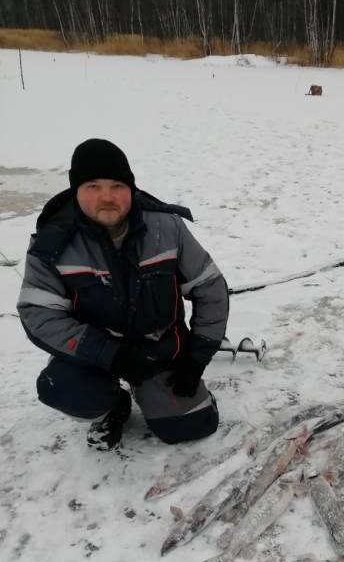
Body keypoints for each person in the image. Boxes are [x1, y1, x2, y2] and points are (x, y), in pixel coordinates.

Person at [17, 139, 229, 450]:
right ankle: (113, 404)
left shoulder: (167, 228)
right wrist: (109, 354)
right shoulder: (53, 243)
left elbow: (210, 288)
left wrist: (197, 357)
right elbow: (39, 314)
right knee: (64, 388)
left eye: (117, 185)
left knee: (191, 426)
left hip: (158, 351)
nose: (106, 197)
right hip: (96, 355)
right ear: (76, 190)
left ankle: (166, 394)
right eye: (93, 185)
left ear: (131, 187)